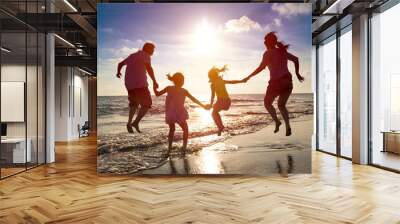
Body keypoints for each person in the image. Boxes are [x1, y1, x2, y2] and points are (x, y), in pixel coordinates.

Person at [244, 32, 304, 136]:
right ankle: (288, 126)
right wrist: (297, 74)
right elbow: (296, 59)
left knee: (267, 104)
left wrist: (249, 76)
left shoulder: (268, 53)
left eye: (266, 40)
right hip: (288, 82)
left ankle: (277, 121)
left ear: (268, 42)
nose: (264, 42)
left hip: (276, 83)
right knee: (281, 105)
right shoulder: (282, 51)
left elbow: (261, 67)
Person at [154, 72, 209, 155]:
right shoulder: (183, 90)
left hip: (171, 112)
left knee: (172, 129)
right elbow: (193, 99)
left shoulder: (169, 88)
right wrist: (203, 106)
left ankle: (169, 149)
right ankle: (183, 147)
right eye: (182, 80)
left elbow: (157, 94)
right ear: (179, 81)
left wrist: (154, 88)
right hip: (179, 112)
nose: (183, 82)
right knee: (185, 129)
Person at [116, 42, 159, 133]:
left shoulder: (132, 55)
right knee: (147, 104)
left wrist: (118, 72)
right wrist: (154, 81)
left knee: (134, 104)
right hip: (140, 84)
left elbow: (120, 64)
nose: (153, 52)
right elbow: (149, 68)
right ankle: (135, 123)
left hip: (129, 84)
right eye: (153, 50)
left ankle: (129, 123)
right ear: (148, 49)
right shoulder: (146, 55)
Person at [207, 65, 246, 136]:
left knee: (213, 113)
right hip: (227, 102)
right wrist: (242, 81)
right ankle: (220, 126)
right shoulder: (221, 80)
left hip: (221, 101)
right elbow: (232, 82)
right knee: (215, 111)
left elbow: (212, 96)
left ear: (211, 76)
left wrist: (210, 104)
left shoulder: (212, 85)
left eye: (209, 77)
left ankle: (220, 127)